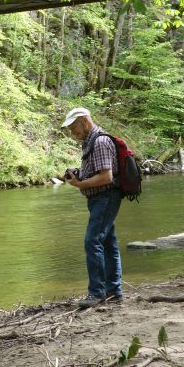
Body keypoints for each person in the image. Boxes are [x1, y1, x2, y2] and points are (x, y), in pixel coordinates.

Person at [60, 107, 123, 308]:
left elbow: (106, 177)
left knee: (92, 241)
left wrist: (79, 184)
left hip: (105, 198)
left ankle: (96, 293)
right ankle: (114, 291)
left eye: (74, 128)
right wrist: (79, 174)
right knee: (107, 243)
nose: (72, 133)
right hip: (100, 199)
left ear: (85, 121)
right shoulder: (91, 142)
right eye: (70, 129)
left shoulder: (101, 141)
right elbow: (97, 171)